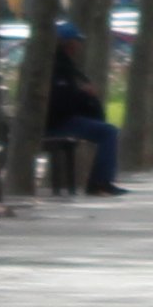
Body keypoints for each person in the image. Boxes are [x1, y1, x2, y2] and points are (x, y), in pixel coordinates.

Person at [44, 32, 122, 198]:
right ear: (69, 44)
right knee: (109, 132)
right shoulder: (59, 68)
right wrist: (83, 94)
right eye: (77, 42)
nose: (79, 46)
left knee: (106, 131)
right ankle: (100, 181)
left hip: (63, 120)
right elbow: (61, 102)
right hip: (60, 123)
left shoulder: (65, 66)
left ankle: (101, 180)